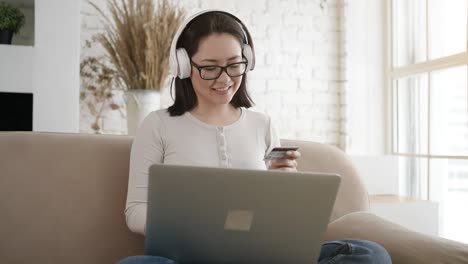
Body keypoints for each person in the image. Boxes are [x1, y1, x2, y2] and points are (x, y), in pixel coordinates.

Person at [119, 10, 392, 264]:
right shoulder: (158, 125)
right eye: (210, 67)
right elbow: (135, 213)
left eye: (234, 65)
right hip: (188, 257)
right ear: (184, 66)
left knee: (370, 254)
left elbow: (282, 219)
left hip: (260, 257)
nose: (224, 78)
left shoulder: (262, 124)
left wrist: (284, 186)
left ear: (246, 62)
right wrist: (192, 223)